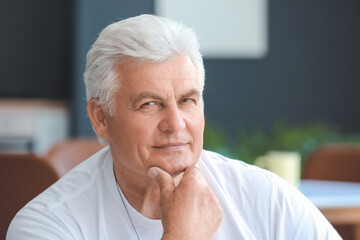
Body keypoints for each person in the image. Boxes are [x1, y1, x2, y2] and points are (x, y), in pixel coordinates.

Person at [7, 14, 341, 239]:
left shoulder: (267, 199)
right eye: (149, 104)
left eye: (187, 101)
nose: (176, 124)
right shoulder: (48, 225)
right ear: (100, 117)